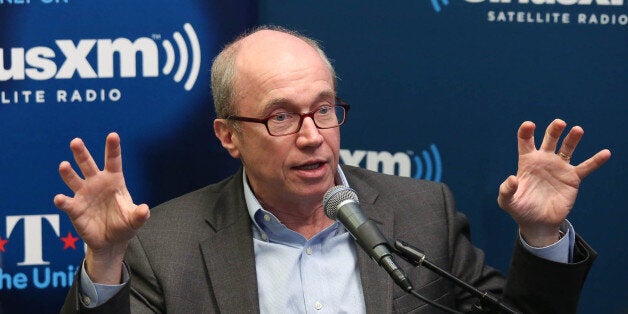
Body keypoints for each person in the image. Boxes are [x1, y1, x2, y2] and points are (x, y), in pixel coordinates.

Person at [56, 25, 611, 313]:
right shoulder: (164, 243)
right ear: (229, 135)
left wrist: (540, 236)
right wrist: (105, 262)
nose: (313, 137)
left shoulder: (422, 213)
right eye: (280, 117)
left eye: (324, 109)